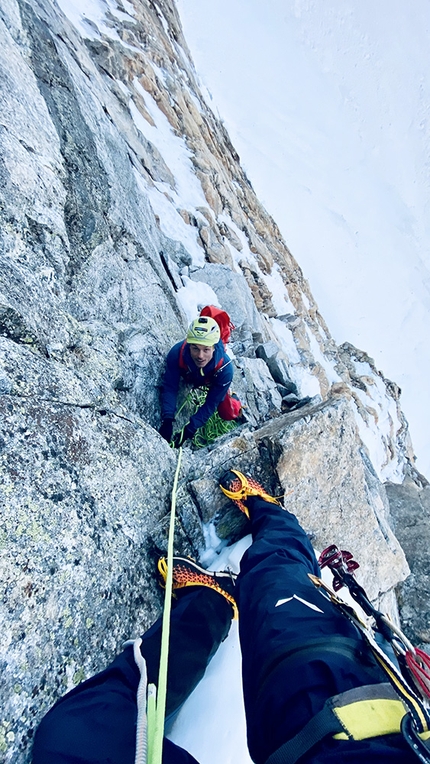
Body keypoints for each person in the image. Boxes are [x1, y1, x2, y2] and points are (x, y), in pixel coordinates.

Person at [33, 470, 425, 764]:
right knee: (277, 577)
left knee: (69, 740)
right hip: (361, 714)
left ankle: (212, 600)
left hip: (316, 733)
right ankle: (267, 516)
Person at [159, 315, 242, 448]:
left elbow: (210, 404)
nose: (200, 356)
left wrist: (190, 428)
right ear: (189, 345)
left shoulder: (225, 369)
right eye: (195, 348)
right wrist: (167, 419)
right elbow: (170, 387)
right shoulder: (177, 353)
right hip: (190, 373)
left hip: (212, 379)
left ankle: (235, 399)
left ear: (214, 347)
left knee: (228, 413)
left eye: (206, 349)